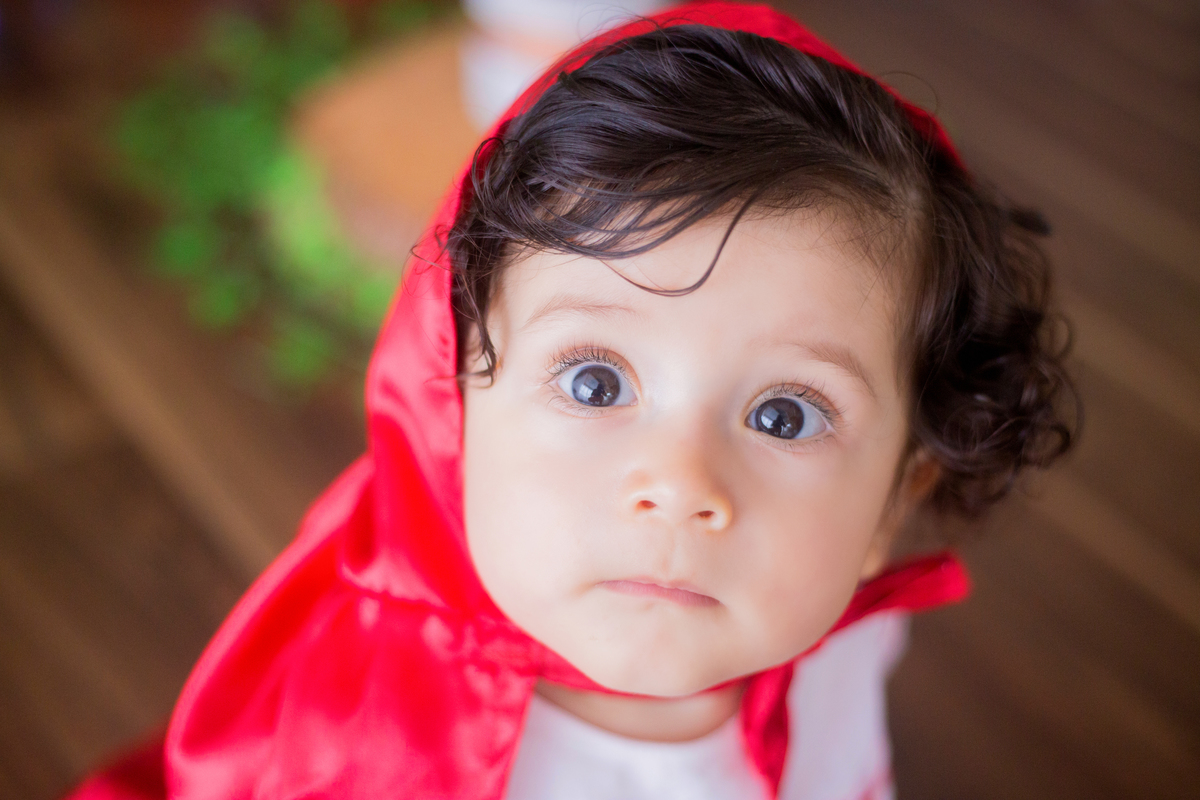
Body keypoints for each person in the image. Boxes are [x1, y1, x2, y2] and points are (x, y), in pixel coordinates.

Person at [69, 3, 1076, 799]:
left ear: (895, 499)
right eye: (596, 382)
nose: (679, 485)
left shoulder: (843, 637)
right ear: (456, 406)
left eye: (786, 415)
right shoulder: (363, 746)